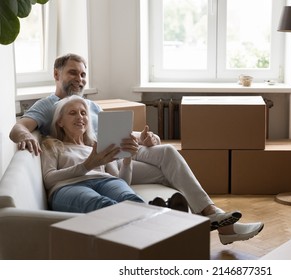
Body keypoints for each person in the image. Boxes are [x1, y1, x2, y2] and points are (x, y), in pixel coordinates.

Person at [9, 53, 264, 245]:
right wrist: (25, 136)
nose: (79, 79)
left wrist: (141, 137)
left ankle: (215, 217)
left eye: (83, 74)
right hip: (93, 160)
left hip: (112, 154)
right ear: (57, 74)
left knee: (167, 153)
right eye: (73, 73)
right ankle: (187, 225)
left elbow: (105, 130)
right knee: (164, 174)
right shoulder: (49, 105)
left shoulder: (91, 106)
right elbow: (19, 126)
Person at [41, 95, 188, 213]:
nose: (80, 117)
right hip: (69, 187)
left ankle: (157, 216)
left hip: (106, 181)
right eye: (73, 113)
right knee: (102, 204)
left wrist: (127, 159)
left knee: (129, 198)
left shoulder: (99, 144)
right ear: (60, 122)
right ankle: (161, 216)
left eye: (83, 113)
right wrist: (87, 166)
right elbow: (49, 179)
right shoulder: (52, 145)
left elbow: (122, 180)